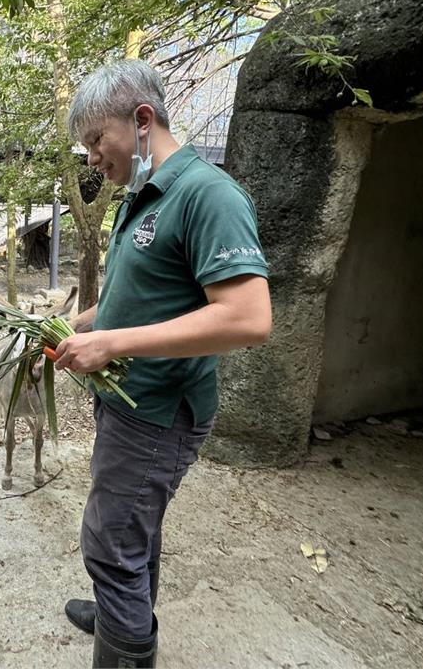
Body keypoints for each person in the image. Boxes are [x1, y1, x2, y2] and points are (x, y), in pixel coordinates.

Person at [52, 59, 272, 668]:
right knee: (130, 521)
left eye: (97, 140)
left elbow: (249, 317)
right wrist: (79, 326)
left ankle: (124, 646)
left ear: (142, 119)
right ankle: (117, 609)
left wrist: (114, 346)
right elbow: (136, 296)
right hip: (125, 399)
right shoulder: (139, 195)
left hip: (159, 409)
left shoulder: (208, 195)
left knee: (111, 536)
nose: (92, 158)